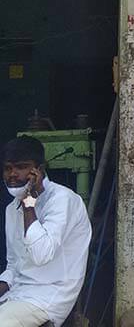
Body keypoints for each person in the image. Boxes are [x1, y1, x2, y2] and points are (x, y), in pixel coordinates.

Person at [0, 136, 91, 327]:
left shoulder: (63, 199)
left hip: (49, 296)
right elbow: (14, 264)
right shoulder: (11, 209)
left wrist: (29, 204)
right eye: (8, 168)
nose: (12, 174)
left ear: (39, 170)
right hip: (18, 294)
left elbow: (41, 254)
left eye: (21, 167)